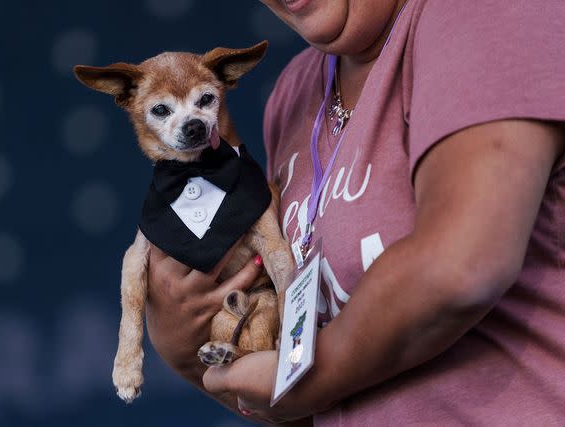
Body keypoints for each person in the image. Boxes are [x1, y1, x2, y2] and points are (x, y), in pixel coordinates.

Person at [148, 0, 565, 424]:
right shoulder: (293, 94)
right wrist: (185, 352)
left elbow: (463, 265)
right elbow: (316, 408)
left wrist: (310, 376)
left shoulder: (487, 11)